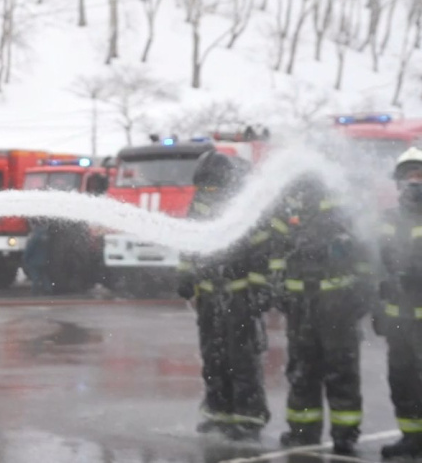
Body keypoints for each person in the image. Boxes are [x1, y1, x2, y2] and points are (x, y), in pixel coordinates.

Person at [177, 150, 269, 441]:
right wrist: (185, 274)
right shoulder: (200, 203)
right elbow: (189, 241)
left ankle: (248, 416)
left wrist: (257, 288)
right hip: (209, 295)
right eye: (205, 184)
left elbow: (261, 249)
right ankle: (218, 413)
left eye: (213, 184)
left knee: (240, 356)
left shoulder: (244, 207)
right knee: (213, 355)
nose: (208, 190)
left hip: (238, 295)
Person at [276, 174, 371, 455]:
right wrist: (278, 289)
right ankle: (303, 432)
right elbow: (277, 253)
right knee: (302, 370)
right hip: (300, 306)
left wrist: (361, 294)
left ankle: (344, 435)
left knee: (340, 368)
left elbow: (362, 255)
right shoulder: (290, 213)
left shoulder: (341, 212)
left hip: (336, 306)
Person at [377, 147, 422, 459]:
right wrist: (378, 308)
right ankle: (412, 437)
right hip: (398, 320)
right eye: (409, 177)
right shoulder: (388, 219)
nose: (414, 183)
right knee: (402, 379)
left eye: (420, 176)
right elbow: (376, 263)